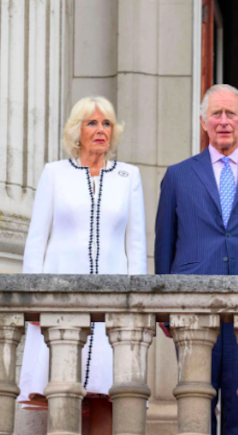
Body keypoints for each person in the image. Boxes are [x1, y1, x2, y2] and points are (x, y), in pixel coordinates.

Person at [154, 84, 238, 435]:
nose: (224, 121)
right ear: (203, 121)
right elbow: (165, 244)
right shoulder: (178, 175)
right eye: (216, 113)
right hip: (192, 308)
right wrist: (164, 308)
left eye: (231, 114)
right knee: (196, 407)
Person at [19, 96, 146, 434]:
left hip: (113, 309)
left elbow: (136, 247)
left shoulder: (128, 176)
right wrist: (32, 304)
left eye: (106, 123)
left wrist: (140, 306)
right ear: (77, 131)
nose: (101, 130)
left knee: (107, 394)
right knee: (61, 392)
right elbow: (36, 242)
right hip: (60, 303)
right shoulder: (54, 174)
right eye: (92, 123)